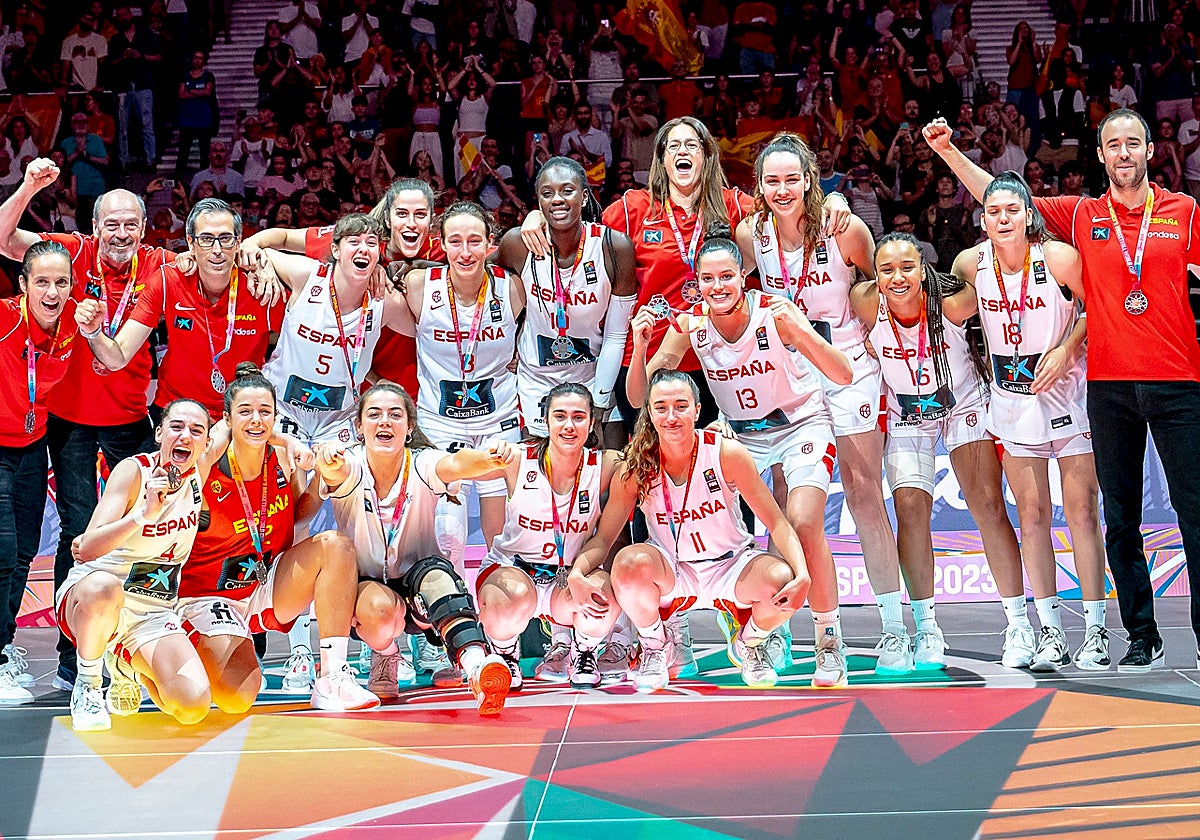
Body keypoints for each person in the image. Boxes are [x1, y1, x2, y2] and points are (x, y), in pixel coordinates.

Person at [923, 109, 1200, 671]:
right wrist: (948, 152)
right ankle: (1141, 635)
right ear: (1100, 156)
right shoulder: (1081, 216)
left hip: (1177, 381)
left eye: (1133, 143)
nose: (1124, 153)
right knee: (1119, 518)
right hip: (1108, 386)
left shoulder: (1185, 211)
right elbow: (1001, 198)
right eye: (1113, 145)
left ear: (1150, 151)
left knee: (1195, 515)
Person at [628, 232, 853, 687]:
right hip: (741, 435)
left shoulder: (774, 311)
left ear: (743, 277)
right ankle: (746, 630)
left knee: (803, 522)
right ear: (697, 283)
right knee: (714, 525)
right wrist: (642, 346)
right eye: (708, 279)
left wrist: (799, 332)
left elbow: (843, 373)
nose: (718, 287)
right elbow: (640, 397)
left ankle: (829, 640)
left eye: (727, 276)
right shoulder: (691, 324)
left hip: (799, 423)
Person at [734, 132, 907, 673]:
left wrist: (885, 347)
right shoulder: (750, 234)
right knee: (784, 506)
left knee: (863, 494)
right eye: (772, 181)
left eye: (793, 179)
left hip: (847, 370)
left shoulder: (845, 227)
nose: (783, 190)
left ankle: (895, 628)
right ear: (759, 186)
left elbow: (884, 289)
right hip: (787, 375)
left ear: (810, 179)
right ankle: (781, 627)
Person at [0, 160, 175, 691]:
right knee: (78, 537)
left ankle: (141, 647)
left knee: (149, 534)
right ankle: (73, 660)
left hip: (130, 421)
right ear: (94, 227)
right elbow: (4, 239)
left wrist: (258, 259)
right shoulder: (70, 254)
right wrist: (28, 187)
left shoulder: (159, 265)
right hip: (69, 424)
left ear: (143, 229)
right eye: (110, 224)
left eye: (131, 224)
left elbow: (217, 258)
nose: (121, 233)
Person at [944, 172, 1108, 671]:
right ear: (983, 220)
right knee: (1032, 516)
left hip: (1068, 397)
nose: (1003, 219)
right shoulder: (970, 264)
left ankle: (1096, 631)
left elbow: (1097, 308)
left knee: (1082, 512)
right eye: (994, 212)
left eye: (1012, 210)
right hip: (1011, 402)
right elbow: (951, 314)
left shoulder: (1058, 258)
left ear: (1028, 214)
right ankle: (1050, 632)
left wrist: (1066, 348)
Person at [571, 368, 812, 692]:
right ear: (649, 413)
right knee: (627, 564)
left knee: (782, 579)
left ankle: (750, 643)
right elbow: (603, 538)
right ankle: (655, 646)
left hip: (729, 566)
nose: (671, 417)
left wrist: (803, 575)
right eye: (661, 407)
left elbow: (777, 522)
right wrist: (577, 573)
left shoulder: (725, 453)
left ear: (697, 410)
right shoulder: (636, 466)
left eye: (681, 406)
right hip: (673, 570)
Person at [849, 233, 1026, 672]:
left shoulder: (953, 303)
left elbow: (988, 286)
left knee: (988, 504)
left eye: (907, 267)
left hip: (962, 402)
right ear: (876, 275)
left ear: (924, 268)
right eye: (887, 269)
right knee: (910, 510)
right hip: (908, 412)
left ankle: (1019, 624)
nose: (898, 277)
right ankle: (927, 627)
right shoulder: (865, 302)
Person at [176, 363, 381, 711]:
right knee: (237, 697)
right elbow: (221, 435)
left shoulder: (283, 458)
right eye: (245, 411)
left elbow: (299, 514)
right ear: (226, 419)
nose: (256, 420)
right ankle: (182, 649)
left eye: (265, 412)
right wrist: (286, 437)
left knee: (336, 546)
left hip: (266, 584)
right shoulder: (207, 462)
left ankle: (332, 679)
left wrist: (322, 478)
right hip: (210, 595)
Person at [313, 382, 518, 715]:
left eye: (395, 415)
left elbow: (458, 463)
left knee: (440, 578)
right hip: (371, 591)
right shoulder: (351, 463)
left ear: (409, 428)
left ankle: (477, 667)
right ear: (359, 427)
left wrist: (489, 457)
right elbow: (334, 470)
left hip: (421, 590)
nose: (385, 421)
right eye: (374, 414)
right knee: (378, 611)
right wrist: (327, 460)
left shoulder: (422, 463)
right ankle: (385, 654)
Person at [56, 399, 222, 730]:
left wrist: (291, 443)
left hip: (151, 611)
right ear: (159, 433)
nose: (185, 436)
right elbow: (85, 549)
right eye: (176, 427)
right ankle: (89, 686)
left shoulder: (199, 470)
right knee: (104, 587)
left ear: (207, 443)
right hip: (95, 599)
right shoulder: (134, 471)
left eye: (196, 430)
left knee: (191, 706)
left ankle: (125, 663)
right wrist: (143, 515)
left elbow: (241, 417)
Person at [477, 383, 624, 688]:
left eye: (578, 417)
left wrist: (718, 433)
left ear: (591, 423)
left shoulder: (607, 465)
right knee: (507, 601)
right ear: (545, 421)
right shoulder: (517, 458)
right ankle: (505, 654)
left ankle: (584, 651)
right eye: (560, 416)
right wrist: (486, 453)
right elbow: (450, 469)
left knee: (604, 597)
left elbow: (655, 456)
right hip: (517, 570)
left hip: (569, 577)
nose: (569, 425)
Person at [79, 198, 282, 418]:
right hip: (176, 411)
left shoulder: (262, 286)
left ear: (238, 242)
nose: (217, 250)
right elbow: (118, 357)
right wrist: (93, 331)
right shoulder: (168, 280)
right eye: (206, 239)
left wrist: (271, 261)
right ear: (191, 243)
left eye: (225, 239)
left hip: (238, 415)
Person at [398, 201, 524, 551]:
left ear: (490, 244)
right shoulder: (418, 286)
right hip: (439, 423)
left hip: (498, 421)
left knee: (501, 536)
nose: (465, 252)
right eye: (455, 241)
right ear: (441, 243)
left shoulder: (513, 289)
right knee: (446, 532)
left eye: (474, 241)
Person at [496, 157, 636, 435]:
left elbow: (616, 336)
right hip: (536, 380)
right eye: (547, 193)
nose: (557, 199)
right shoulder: (517, 243)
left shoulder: (614, 246)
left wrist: (600, 400)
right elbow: (472, 269)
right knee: (537, 460)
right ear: (539, 202)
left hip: (594, 375)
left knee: (610, 454)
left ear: (584, 197)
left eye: (567, 190)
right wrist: (415, 267)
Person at [0, 242, 78, 703]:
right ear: (23, 285)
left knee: (25, 553)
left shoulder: (74, 323)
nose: (52, 292)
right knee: (4, 551)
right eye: (42, 282)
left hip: (32, 447)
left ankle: (5, 647)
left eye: (61, 282)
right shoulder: (6, 318)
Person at [257, 213, 411, 445]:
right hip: (281, 406)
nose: (363, 249)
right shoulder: (306, 275)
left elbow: (428, 327)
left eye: (371, 243)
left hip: (339, 419)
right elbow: (261, 251)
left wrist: (410, 274)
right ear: (336, 250)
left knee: (338, 468)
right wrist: (259, 259)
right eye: (354, 241)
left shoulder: (386, 300)